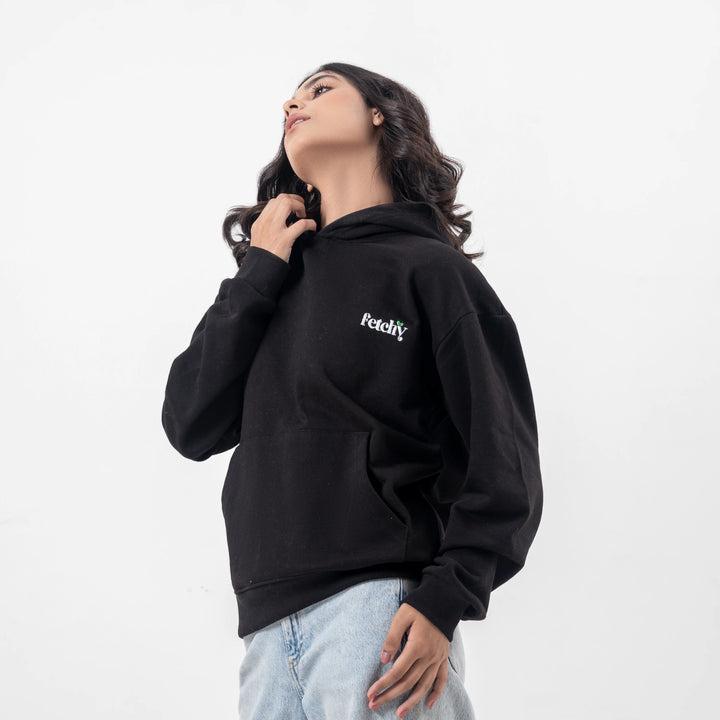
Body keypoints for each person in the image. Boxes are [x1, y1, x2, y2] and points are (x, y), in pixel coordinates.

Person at [161, 61, 543, 720]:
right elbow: (190, 423)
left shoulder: (431, 272)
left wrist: (444, 599)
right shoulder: (272, 280)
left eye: (320, 89)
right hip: (265, 632)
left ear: (378, 113)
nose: (292, 104)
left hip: (379, 613)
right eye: (290, 97)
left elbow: (503, 464)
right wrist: (259, 271)